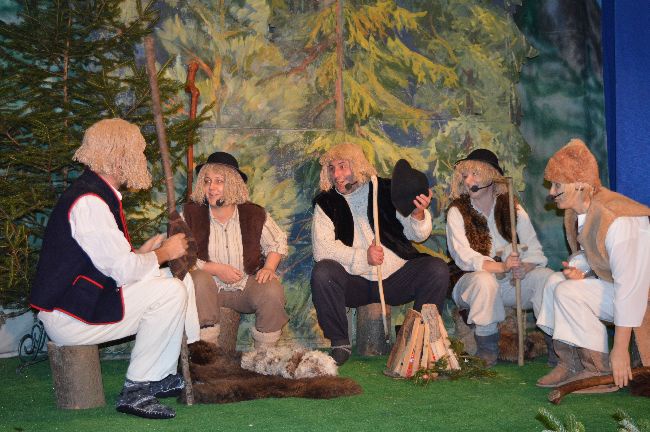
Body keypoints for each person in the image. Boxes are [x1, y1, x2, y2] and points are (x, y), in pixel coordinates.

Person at [30, 118, 190, 419]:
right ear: (118, 159)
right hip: (70, 316)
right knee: (169, 291)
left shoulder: (94, 193)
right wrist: (164, 253)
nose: (141, 159)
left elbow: (105, 262)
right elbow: (123, 271)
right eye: (136, 153)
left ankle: (159, 376)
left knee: (176, 281)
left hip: (83, 300)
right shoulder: (90, 202)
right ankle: (137, 389)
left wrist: (143, 254)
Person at [310, 143, 449, 365]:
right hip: (354, 282)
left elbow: (417, 234)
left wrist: (418, 214)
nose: (336, 175)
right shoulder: (326, 203)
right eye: (331, 168)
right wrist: (362, 257)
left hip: (395, 278)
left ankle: (417, 339)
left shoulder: (385, 190)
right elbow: (322, 249)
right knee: (323, 272)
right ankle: (340, 343)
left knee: (437, 269)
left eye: (342, 166)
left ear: (357, 166)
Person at [535, 138, 650, 392]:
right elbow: (590, 251)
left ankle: (599, 368)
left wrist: (620, 348)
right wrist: (583, 270)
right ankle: (570, 363)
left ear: (578, 184)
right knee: (554, 282)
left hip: (642, 298)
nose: (551, 192)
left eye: (557, 184)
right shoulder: (577, 211)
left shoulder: (618, 219)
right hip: (617, 288)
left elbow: (632, 287)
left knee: (567, 292)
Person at [446, 149, 553, 367]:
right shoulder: (457, 211)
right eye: (465, 175)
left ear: (491, 177)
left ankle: (557, 349)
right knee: (485, 281)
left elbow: (535, 251)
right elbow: (464, 256)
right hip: (470, 283)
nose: (468, 181)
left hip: (510, 283)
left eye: (475, 174)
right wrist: (501, 267)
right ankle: (487, 349)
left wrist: (524, 267)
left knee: (547, 278)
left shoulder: (512, 208)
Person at [183, 151, 289, 351]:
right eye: (207, 181)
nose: (211, 187)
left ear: (233, 184)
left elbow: (277, 241)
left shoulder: (253, 213)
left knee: (272, 290)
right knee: (199, 279)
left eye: (219, 181)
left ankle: (264, 354)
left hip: (245, 285)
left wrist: (269, 267)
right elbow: (180, 254)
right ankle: (207, 352)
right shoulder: (190, 213)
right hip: (208, 290)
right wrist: (214, 268)